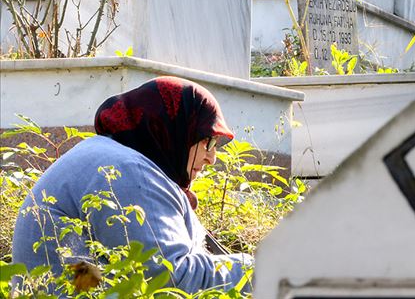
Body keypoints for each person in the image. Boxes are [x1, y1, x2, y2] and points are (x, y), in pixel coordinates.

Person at [11, 76, 253, 293]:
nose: (212, 158)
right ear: (176, 130)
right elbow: (169, 279)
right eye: (207, 142)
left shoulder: (119, 159)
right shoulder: (128, 172)